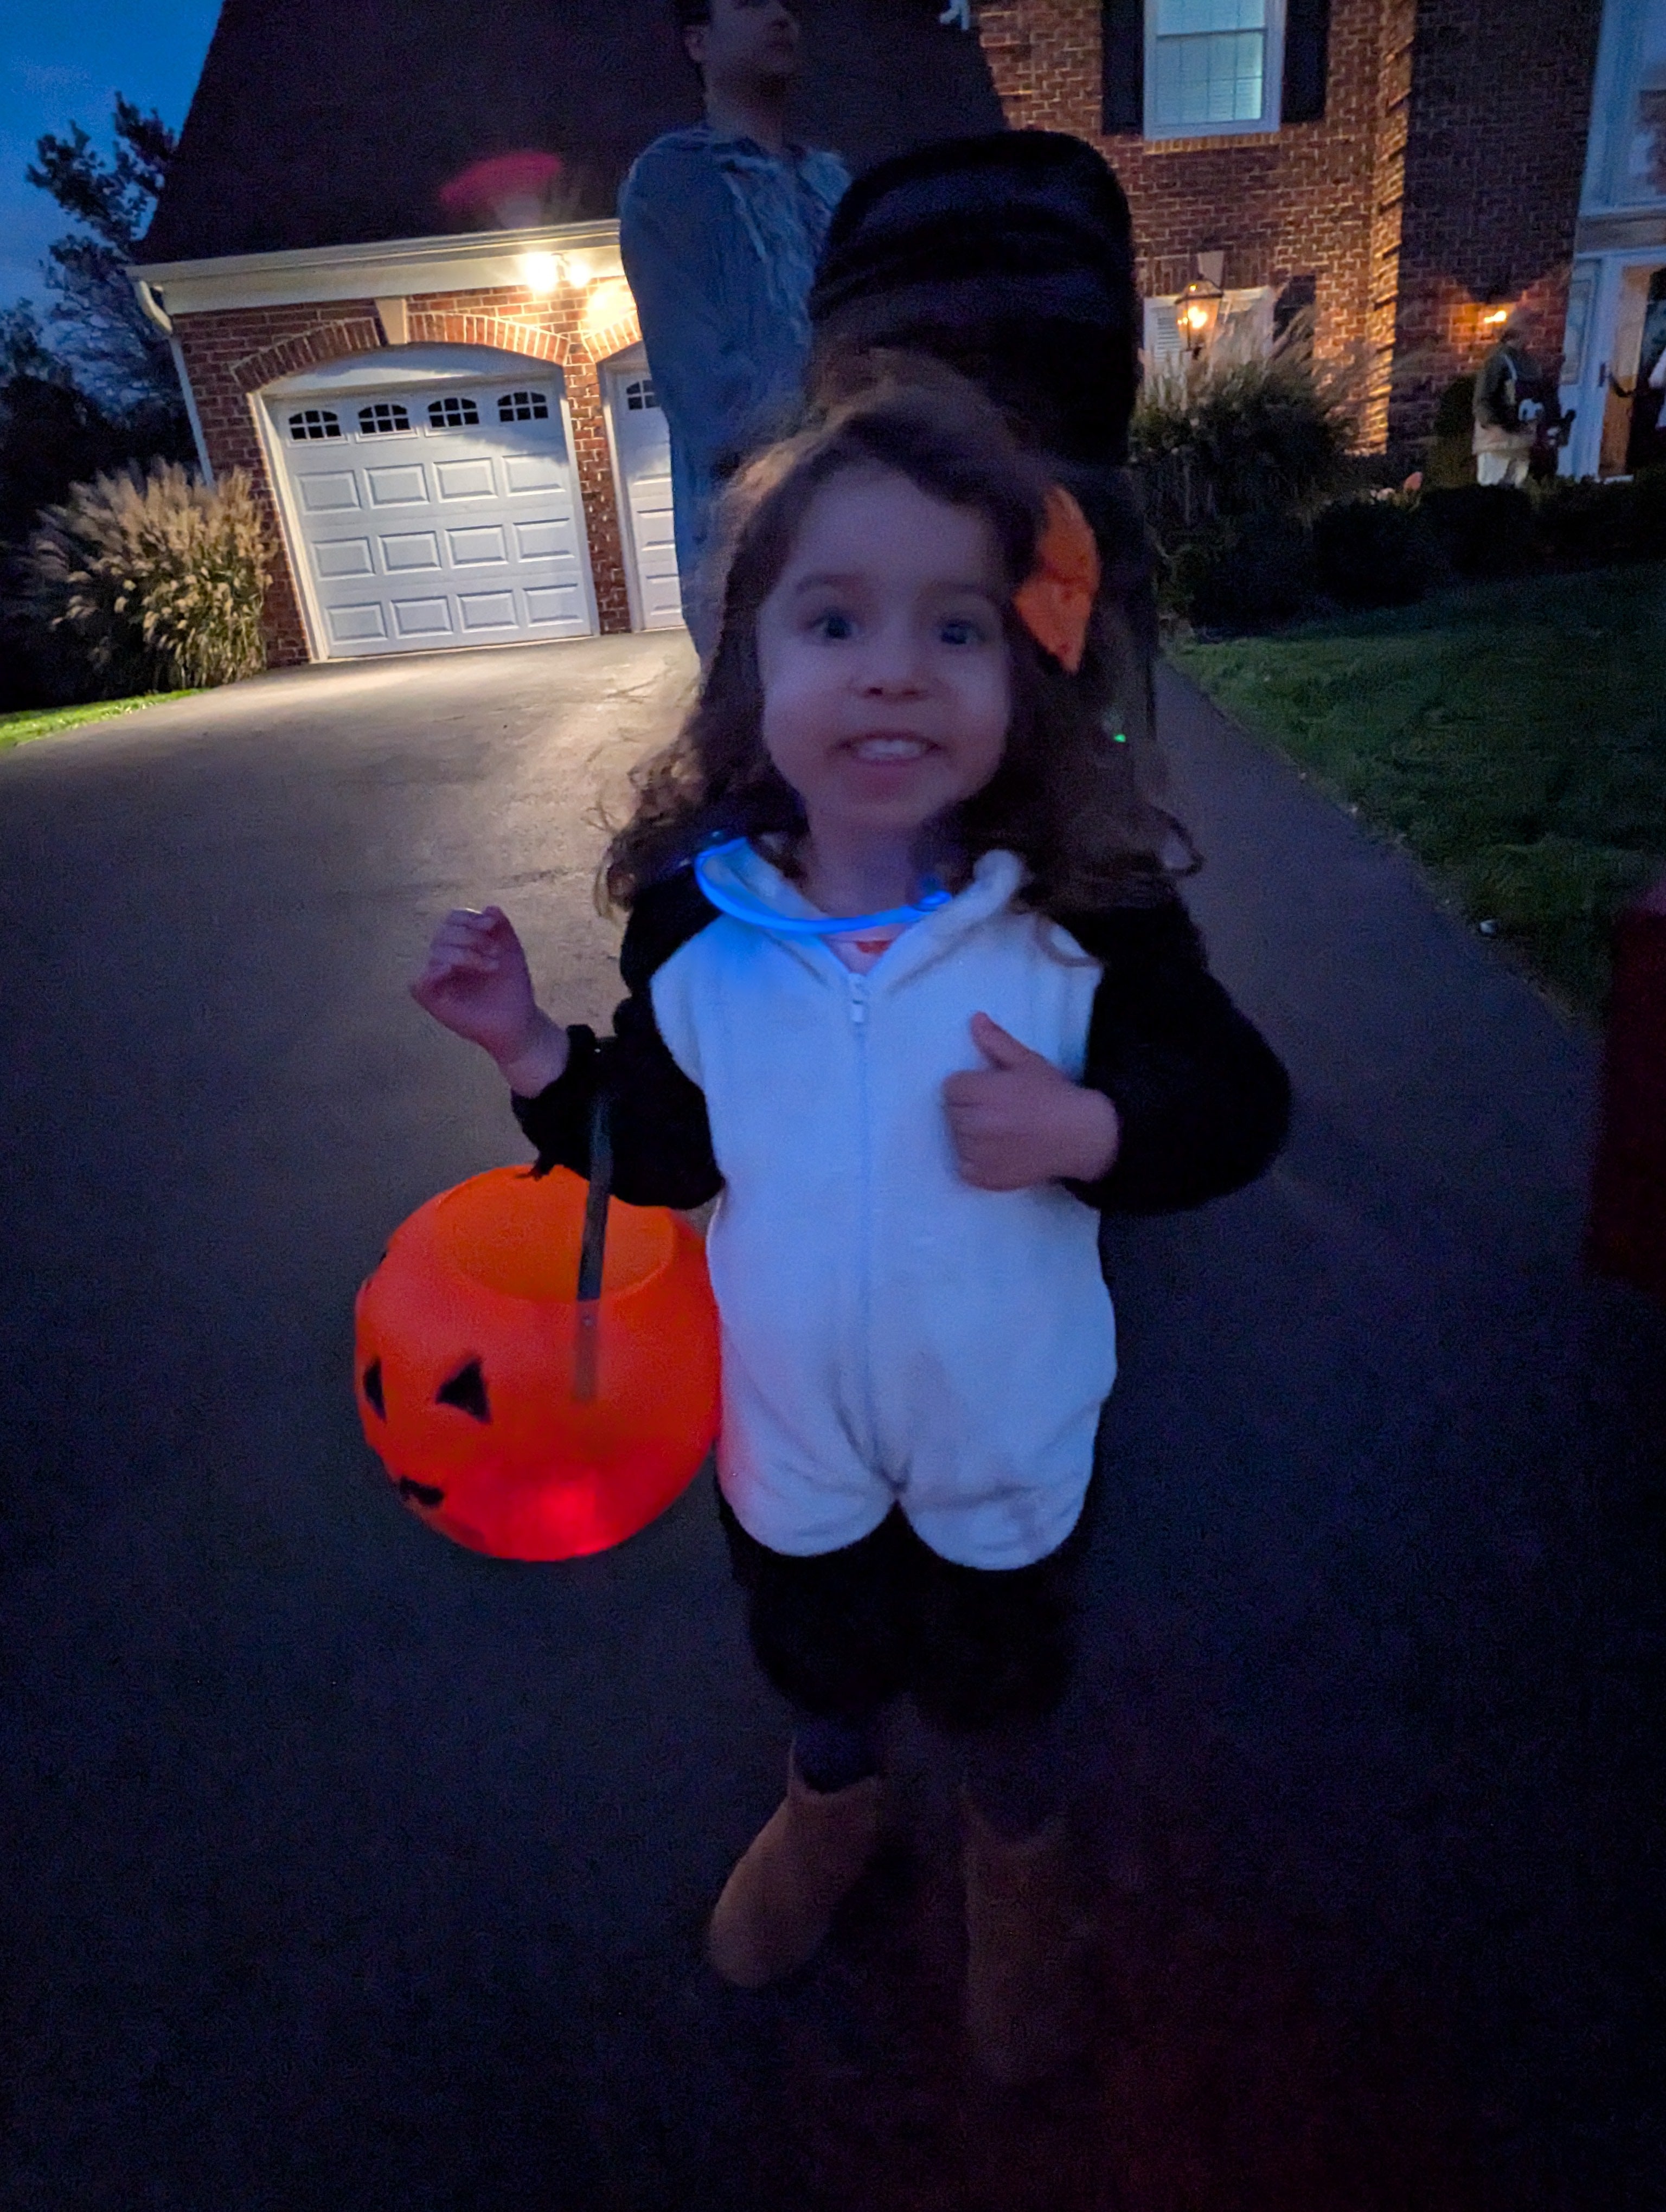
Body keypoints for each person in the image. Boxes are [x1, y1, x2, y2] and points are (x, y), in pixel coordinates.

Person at [410, 368, 1290, 2084]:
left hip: (1005, 1440)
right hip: (791, 1442)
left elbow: (1240, 1103)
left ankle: (1016, 1861)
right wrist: (526, 1047)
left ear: (1025, 677)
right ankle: (831, 1806)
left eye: (954, 628)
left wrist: (1094, 1126)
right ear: (755, 671)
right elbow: (659, 1149)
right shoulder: (705, 944)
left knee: (1002, 1686)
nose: (893, 667)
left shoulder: (1078, 933)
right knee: (817, 1661)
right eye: (836, 621)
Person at [619, 0, 849, 653]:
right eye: (750, 3)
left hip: (870, 532)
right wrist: (851, 428)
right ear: (698, 42)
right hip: (756, 559)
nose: (781, 15)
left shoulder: (831, 182)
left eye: (787, 4)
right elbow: (708, 399)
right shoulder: (675, 182)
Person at [1472, 314, 1543, 487]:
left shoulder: (1530, 363)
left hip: (1521, 442)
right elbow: (1482, 401)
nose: (1533, 333)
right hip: (1497, 443)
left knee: (1515, 494)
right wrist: (1496, 426)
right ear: (1519, 331)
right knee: (1491, 493)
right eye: (1530, 328)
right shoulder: (1497, 360)